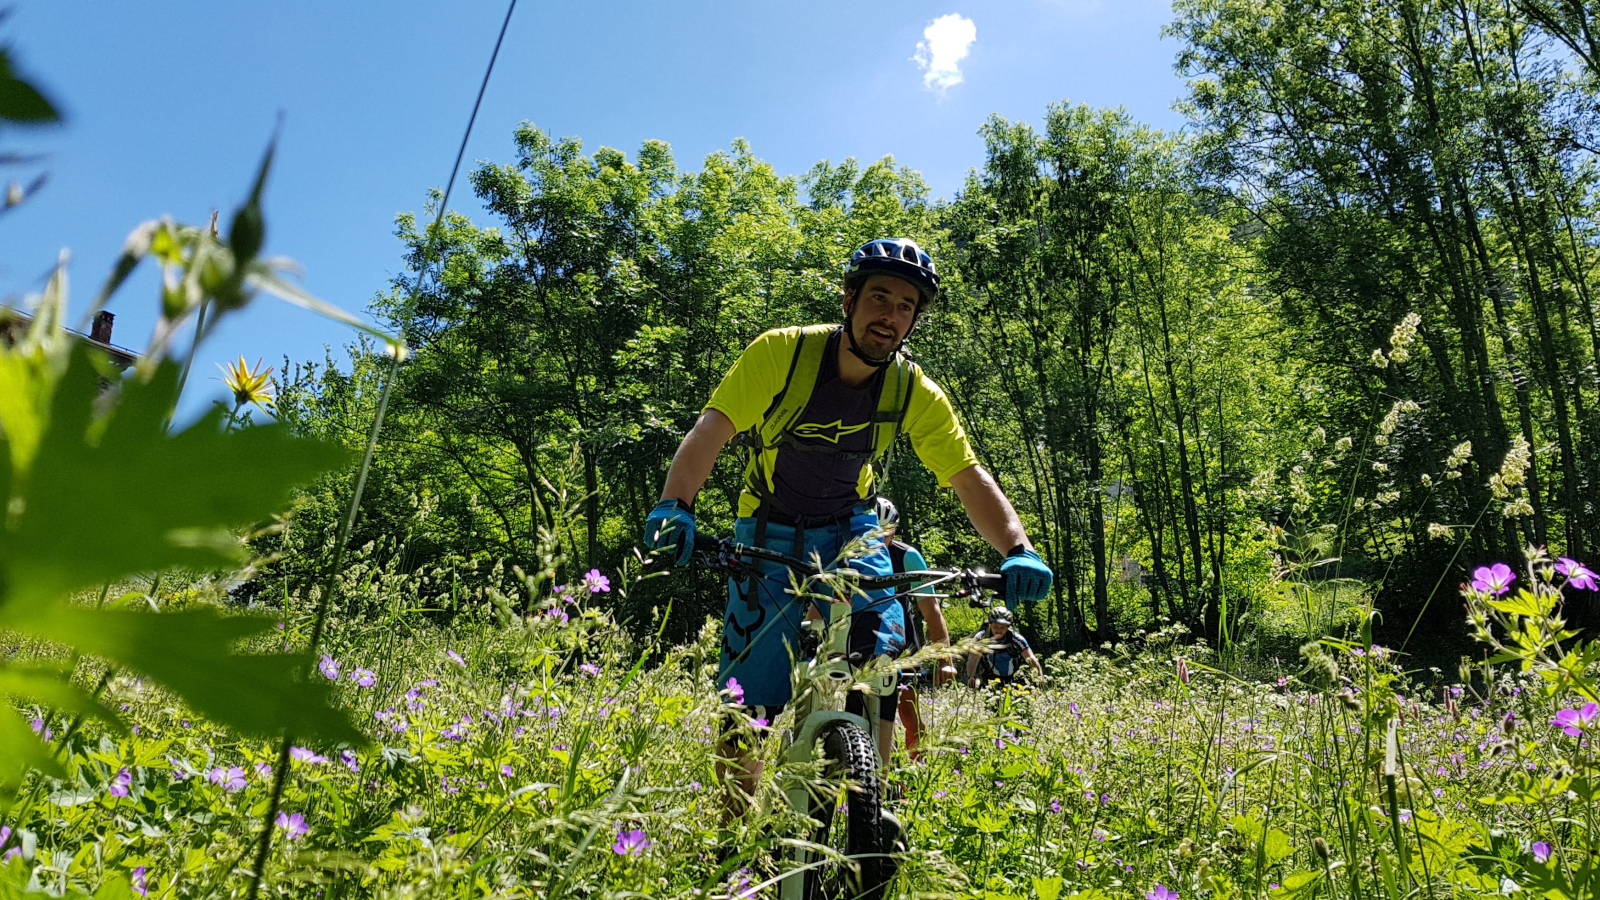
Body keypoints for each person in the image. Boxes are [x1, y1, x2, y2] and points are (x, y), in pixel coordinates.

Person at [641, 237, 1054, 814]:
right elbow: (713, 428)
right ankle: (734, 836)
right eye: (879, 298)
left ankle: (873, 806)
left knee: (882, 666)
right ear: (848, 299)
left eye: (905, 306)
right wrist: (675, 505)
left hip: (852, 531)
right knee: (751, 702)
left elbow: (965, 475)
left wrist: (1018, 547)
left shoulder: (912, 389)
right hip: (766, 530)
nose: (890, 316)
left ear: (914, 321)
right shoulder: (783, 354)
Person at [872, 496, 954, 762]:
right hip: (864, 636)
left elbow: (931, 611)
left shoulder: (908, 557)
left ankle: (914, 774)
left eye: (886, 533)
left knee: (908, 711)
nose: (879, 540)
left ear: (894, 530)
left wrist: (945, 660)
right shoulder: (851, 553)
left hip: (902, 640)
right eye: (873, 534)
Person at [965, 605, 1045, 687]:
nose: (998, 630)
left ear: (1008, 627)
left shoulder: (1016, 639)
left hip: (1015, 677)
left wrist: (1040, 678)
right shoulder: (980, 638)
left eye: (1002, 627)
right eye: (995, 626)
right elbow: (972, 659)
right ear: (990, 625)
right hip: (990, 677)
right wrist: (971, 679)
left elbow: (1030, 659)